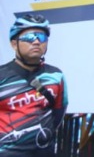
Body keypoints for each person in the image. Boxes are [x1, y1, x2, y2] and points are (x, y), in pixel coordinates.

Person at [0, 14, 67, 155]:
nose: (36, 42)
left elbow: (58, 113)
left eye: (42, 38)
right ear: (14, 43)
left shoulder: (56, 76)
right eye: (29, 37)